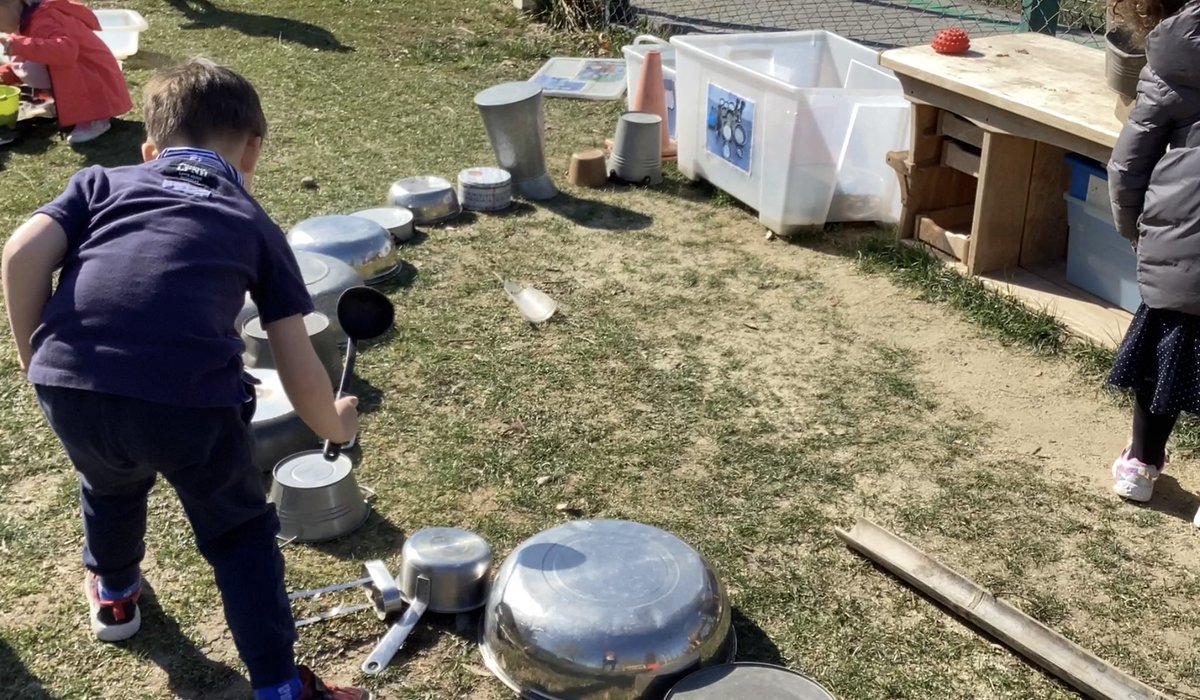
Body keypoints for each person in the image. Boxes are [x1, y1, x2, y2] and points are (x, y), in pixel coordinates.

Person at [1, 58, 368, 700]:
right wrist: (332, 422)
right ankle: (281, 688)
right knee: (239, 533)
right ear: (253, 148)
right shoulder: (253, 222)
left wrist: (35, 357)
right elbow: (295, 357)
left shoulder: (99, 184)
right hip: (191, 403)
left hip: (72, 383)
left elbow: (21, 252)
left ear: (149, 150)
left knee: (107, 484)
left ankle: (115, 595)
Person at [1106, 0, 1200, 503]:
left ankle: (1140, 466)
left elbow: (1129, 161)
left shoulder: (1174, 54)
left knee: (1166, 352)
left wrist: (1134, 228)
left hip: (1183, 235)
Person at [0, 0, 132, 144]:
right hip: (75, 79)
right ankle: (68, 110)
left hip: (93, 83)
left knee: (32, 50)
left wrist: (18, 45)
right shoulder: (27, 20)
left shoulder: (44, 19)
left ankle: (94, 118)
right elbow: (26, 61)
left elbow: (66, 51)